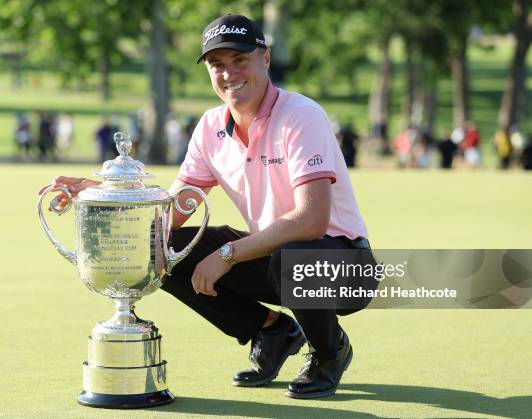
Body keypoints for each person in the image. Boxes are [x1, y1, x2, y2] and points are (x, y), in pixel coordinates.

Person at [38, 14, 374, 399]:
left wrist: (227, 254)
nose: (228, 73)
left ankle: (328, 353)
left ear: (265, 59)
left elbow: (312, 220)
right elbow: (175, 208)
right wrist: (105, 194)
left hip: (344, 265)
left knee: (292, 255)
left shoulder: (301, 116)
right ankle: (271, 331)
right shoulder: (211, 126)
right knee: (162, 247)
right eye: (217, 65)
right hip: (274, 254)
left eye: (239, 60)